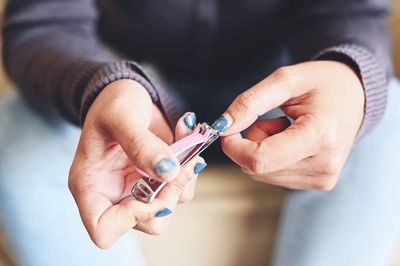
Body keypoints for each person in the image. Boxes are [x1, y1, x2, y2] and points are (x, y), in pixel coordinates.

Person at [1, 0, 399, 265]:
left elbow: (350, 13)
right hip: (131, 86)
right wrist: (104, 85)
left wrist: (348, 75)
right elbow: (41, 24)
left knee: (388, 112)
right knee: (17, 127)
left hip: (283, 92)